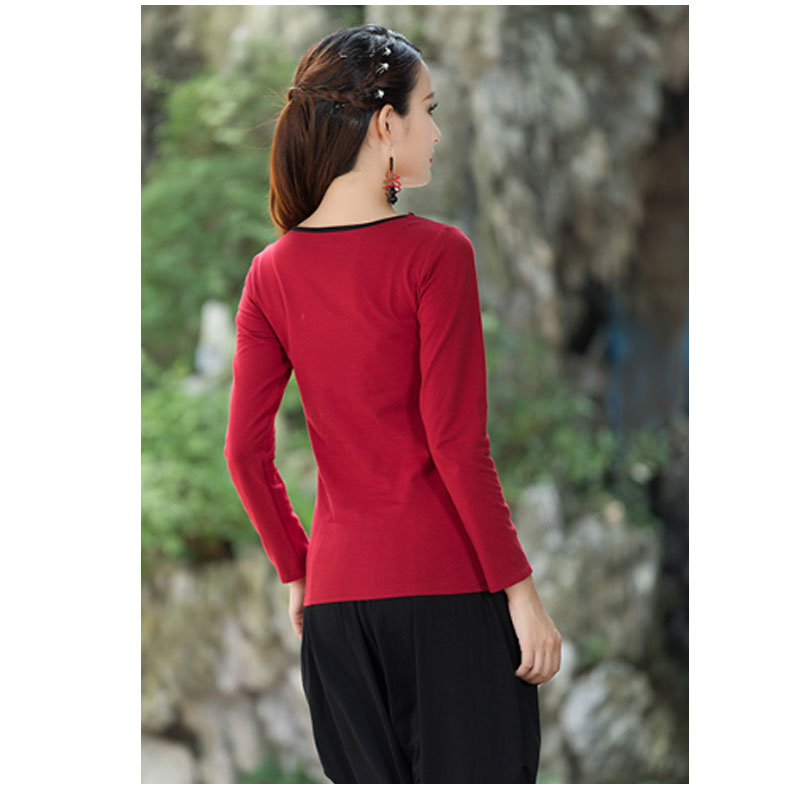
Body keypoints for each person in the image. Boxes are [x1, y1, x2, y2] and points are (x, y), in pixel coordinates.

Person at [224, 23, 562, 784]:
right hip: (450, 596)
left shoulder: (269, 274)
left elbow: (244, 453)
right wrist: (522, 592)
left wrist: (297, 568)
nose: (435, 133)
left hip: (338, 609)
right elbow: (456, 442)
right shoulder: (437, 254)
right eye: (428, 111)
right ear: (385, 124)